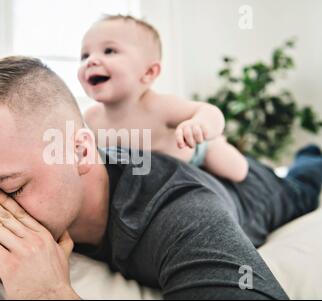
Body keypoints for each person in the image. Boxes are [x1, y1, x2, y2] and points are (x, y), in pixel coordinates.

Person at [0, 56, 321, 300]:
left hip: (255, 191)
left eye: (10, 189)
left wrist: (54, 296)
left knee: (303, 182)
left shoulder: (178, 211)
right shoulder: (6, 196)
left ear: (81, 150)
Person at [78, 15, 249, 182]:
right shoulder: (91, 118)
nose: (91, 61)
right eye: (85, 55)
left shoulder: (159, 106)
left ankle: (219, 144)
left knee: (237, 171)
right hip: (148, 171)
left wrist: (199, 125)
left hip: (197, 150)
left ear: (148, 72)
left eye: (109, 51)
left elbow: (210, 112)